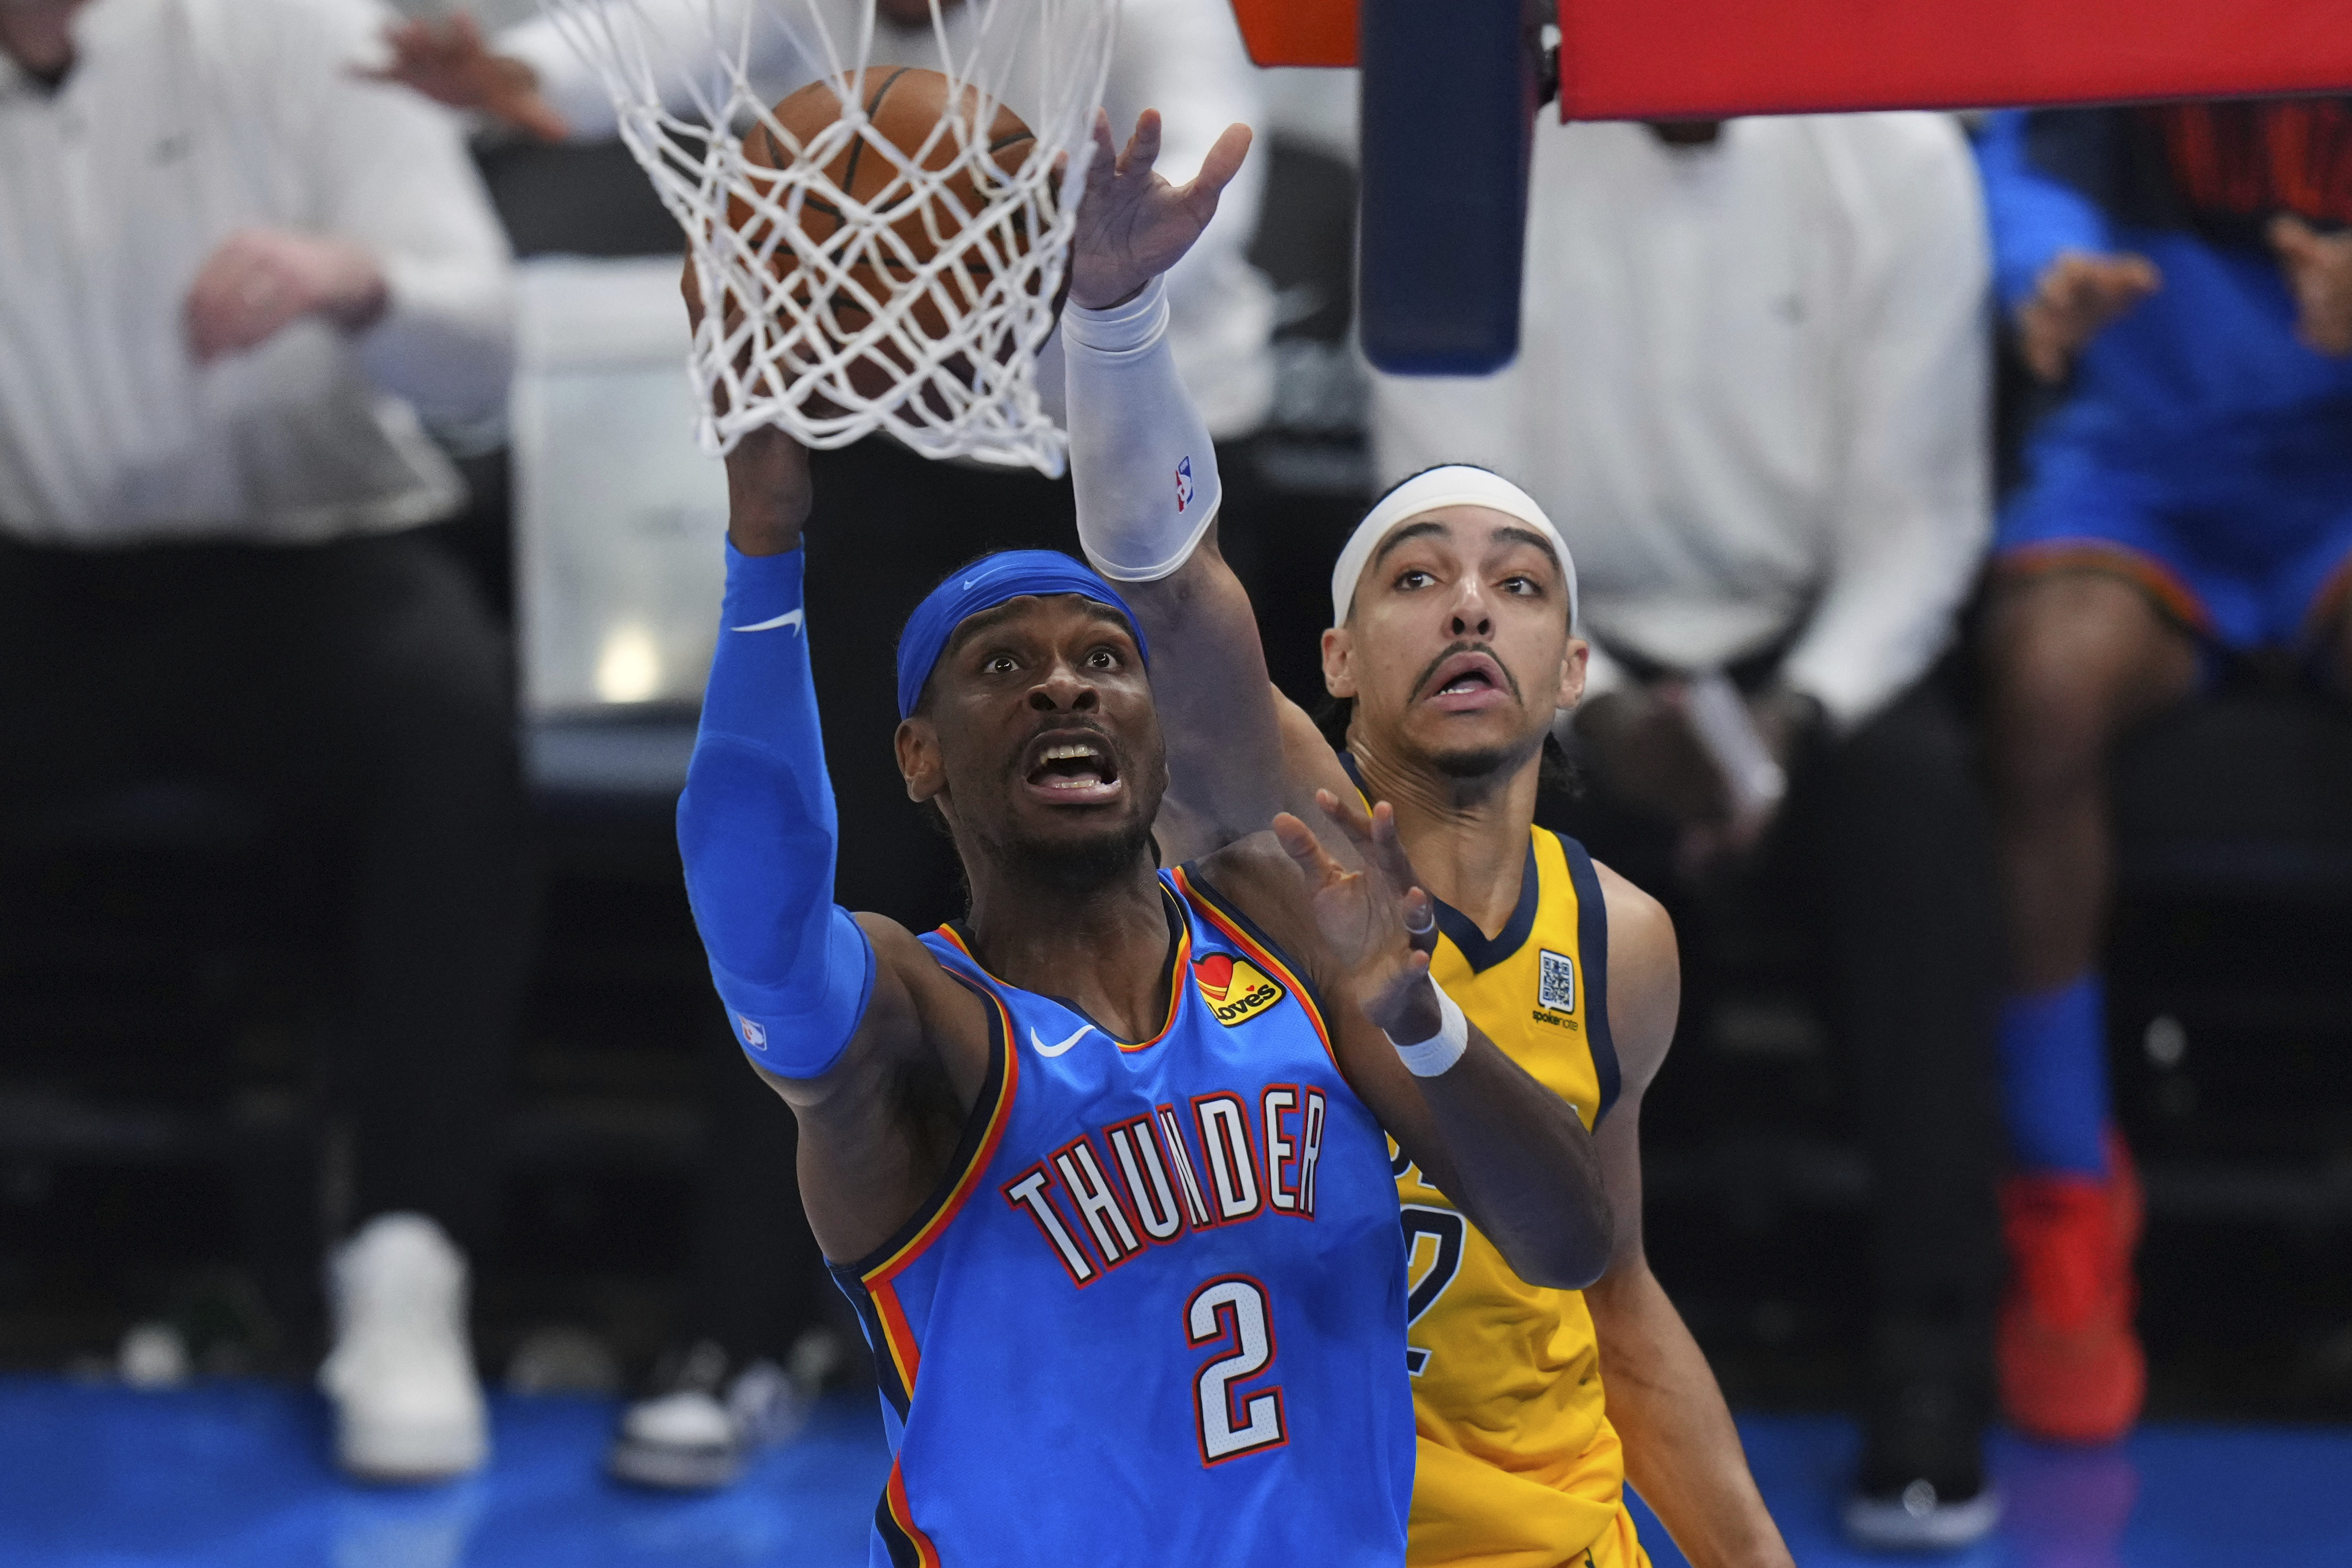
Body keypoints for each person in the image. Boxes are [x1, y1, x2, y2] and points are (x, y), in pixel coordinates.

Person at [673, 109, 1614, 1565]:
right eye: (1001, 666)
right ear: (915, 758)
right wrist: (764, 546)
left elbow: (1566, 1246)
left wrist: (1414, 1019)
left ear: (1159, 731)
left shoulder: (1294, 936)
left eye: (1102, 662)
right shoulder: (923, 1029)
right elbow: (754, 910)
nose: (1061, 681)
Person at [373, 0, 1279, 1483]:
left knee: (1148, 912)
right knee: (806, 896)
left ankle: (1182, 1343)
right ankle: (740, 1329)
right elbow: (669, 38)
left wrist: (1028, 228)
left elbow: (1192, 176)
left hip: (1128, 477)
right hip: (897, 444)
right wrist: (517, 75)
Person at [1048, 115, 1795, 1568]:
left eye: (1517, 586)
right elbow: (1165, 591)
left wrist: (1754, 1558)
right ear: (1335, 654)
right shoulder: (1270, 825)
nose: (1467, 607)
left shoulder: (1621, 938)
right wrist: (1117, 324)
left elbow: (1614, 1292)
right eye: (1416, 577)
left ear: (1571, 667)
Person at [1361, 115, 2004, 1548]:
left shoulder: (1898, 159)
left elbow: (1922, 519)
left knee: (1923, 838)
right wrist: (1587, 705)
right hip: (1563, 662)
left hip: (1819, 664)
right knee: (1498, 849)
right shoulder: (1479, 156)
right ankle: (1543, 1363)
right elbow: (1439, 493)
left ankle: (1928, 1360)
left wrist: (1794, 717)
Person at [0, 0, 523, 1481]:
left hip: (311, 558)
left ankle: (409, 1268)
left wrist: (357, 281)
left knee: (445, 727)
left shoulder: (303, 33)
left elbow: (482, 355)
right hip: (42, 570)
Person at [1973, 102, 2352, 1445]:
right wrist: (2046, 272)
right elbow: (2034, 137)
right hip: (2139, 459)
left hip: (2338, 472)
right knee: (2042, 691)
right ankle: (2062, 1191)